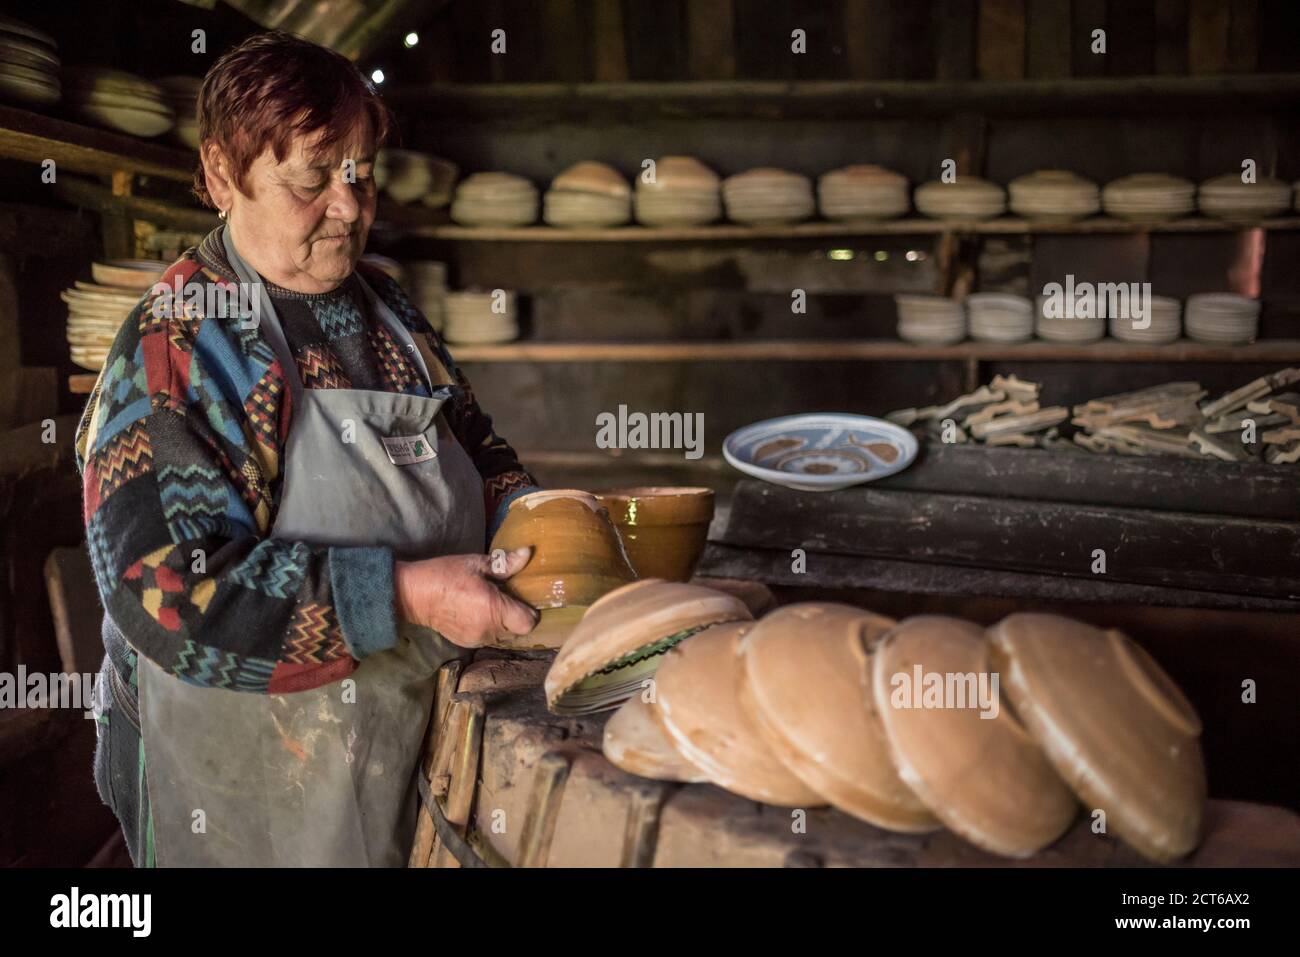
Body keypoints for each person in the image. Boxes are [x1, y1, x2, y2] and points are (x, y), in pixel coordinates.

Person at [75, 30, 539, 866]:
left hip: (394, 742)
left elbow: (481, 448)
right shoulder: (184, 344)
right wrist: (407, 596)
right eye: (313, 178)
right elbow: (165, 591)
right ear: (223, 175)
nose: (351, 205)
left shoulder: (387, 308)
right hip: (241, 784)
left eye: (360, 172)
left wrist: (539, 519)